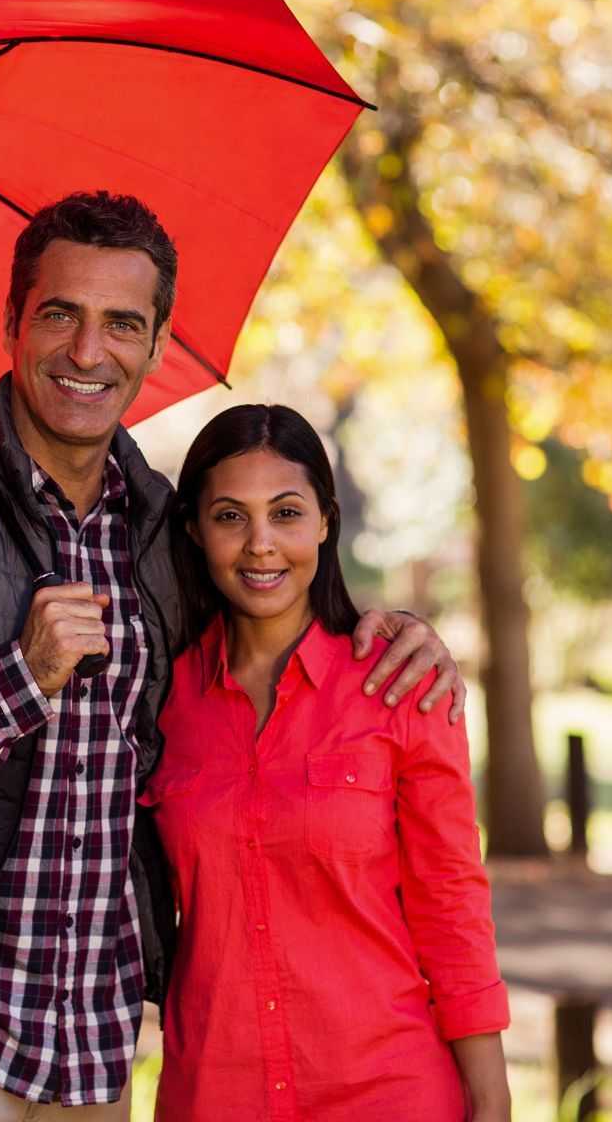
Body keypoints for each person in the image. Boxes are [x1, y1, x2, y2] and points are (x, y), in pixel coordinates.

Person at [0, 191, 468, 1120]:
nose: (88, 352)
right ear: (14, 322)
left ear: (158, 342)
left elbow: (261, 623)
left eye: (121, 324)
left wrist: (381, 628)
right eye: (60, 314)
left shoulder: (157, 525)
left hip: (93, 1029)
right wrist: (18, 678)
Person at [148, 404, 509, 1121]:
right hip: (217, 1094)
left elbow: (451, 907)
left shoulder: (402, 685)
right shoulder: (159, 697)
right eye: (229, 517)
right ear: (193, 529)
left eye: (286, 512)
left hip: (387, 1088)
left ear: (325, 521)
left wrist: (492, 1100)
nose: (261, 546)